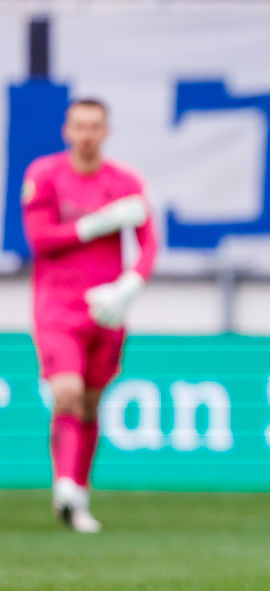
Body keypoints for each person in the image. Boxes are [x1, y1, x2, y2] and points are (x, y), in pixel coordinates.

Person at [21, 98, 157, 533]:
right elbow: (40, 239)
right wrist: (97, 224)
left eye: (95, 126)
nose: (87, 134)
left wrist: (130, 284)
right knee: (67, 394)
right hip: (57, 308)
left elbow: (148, 241)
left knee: (92, 403)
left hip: (107, 309)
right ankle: (63, 484)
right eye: (79, 125)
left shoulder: (124, 181)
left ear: (106, 131)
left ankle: (78, 494)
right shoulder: (44, 175)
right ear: (67, 130)